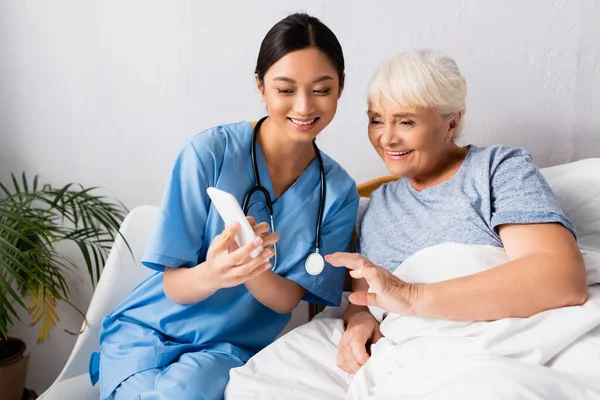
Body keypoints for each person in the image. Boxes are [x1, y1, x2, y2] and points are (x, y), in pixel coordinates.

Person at [225, 48, 588, 398]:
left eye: (406, 121)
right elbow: (363, 299)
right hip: (414, 347)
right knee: (253, 384)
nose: (387, 138)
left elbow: (559, 278)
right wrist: (360, 320)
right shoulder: (376, 207)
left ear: (452, 122)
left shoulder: (497, 170)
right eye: (376, 119)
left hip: (494, 339)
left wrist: (414, 297)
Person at [89, 13, 359, 400]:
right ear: (260, 86)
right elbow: (174, 286)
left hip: (227, 350)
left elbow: (286, 299)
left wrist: (250, 267)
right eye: (285, 89)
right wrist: (216, 272)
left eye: (321, 89)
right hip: (148, 332)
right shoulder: (208, 154)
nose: (303, 107)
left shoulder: (338, 191)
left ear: (340, 89)